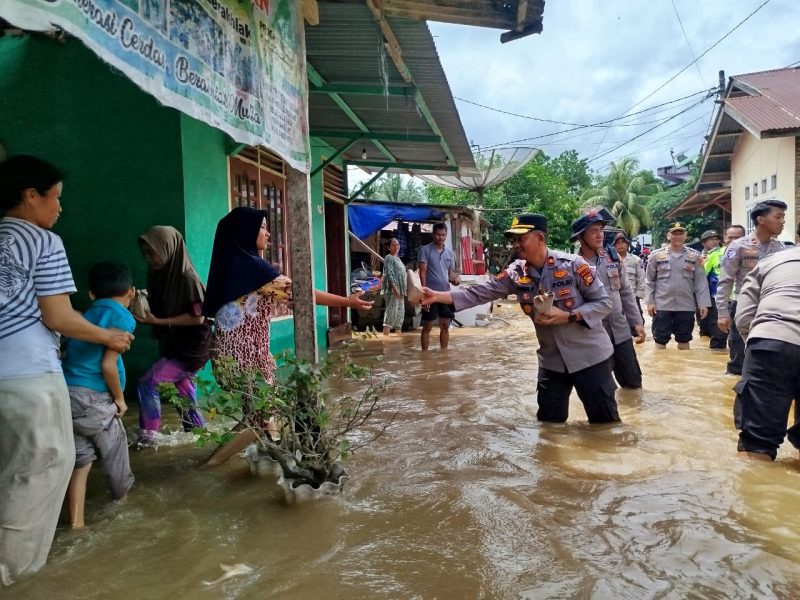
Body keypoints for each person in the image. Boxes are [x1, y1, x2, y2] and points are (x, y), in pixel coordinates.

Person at [0, 155, 132, 586]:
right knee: (38, 473)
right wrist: (108, 337)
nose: (59, 208)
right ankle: (15, 578)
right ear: (30, 196)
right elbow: (57, 315)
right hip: (27, 377)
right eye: (55, 197)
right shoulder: (42, 241)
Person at [202, 207, 373, 466]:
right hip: (246, 357)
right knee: (261, 417)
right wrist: (348, 302)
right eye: (262, 227)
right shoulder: (255, 269)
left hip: (227, 356)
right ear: (245, 232)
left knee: (261, 414)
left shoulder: (232, 265)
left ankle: (270, 461)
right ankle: (210, 466)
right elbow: (302, 292)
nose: (268, 233)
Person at [421, 213, 619, 424]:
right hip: (552, 362)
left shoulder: (573, 265)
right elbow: (478, 293)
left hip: (591, 358)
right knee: (549, 428)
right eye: (514, 239)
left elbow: (604, 303)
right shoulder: (516, 273)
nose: (515, 244)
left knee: (604, 426)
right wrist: (437, 296)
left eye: (521, 238)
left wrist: (568, 316)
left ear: (540, 238)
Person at [62, 260, 136, 529]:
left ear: (92, 294)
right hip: (93, 398)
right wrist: (120, 399)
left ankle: (76, 523)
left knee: (80, 461)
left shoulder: (82, 317)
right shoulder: (123, 318)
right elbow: (108, 366)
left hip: (65, 395)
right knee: (116, 453)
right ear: (131, 292)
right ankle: (125, 508)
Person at [135, 226, 212, 446]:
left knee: (148, 383)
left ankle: (148, 438)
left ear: (168, 248)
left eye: (152, 253)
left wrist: (157, 321)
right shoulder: (160, 274)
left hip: (192, 347)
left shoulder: (188, 278)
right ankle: (199, 434)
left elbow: (198, 317)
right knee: (182, 388)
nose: (149, 259)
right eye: (146, 254)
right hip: (174, 343)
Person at [732, 240, 800, 461]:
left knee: (756, 443)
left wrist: (757, 349)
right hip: (772, 339)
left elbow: (744, 316)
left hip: (771, 341)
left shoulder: (771, 261)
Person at [573, 213, 644, 389]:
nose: (600, 235)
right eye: (593, 231)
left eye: (601, 230)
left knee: (633, 385)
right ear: (580, 237)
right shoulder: (573, 265)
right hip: (594, 336)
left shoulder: (612, 258)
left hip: (620, 331)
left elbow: (626, 292)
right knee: (603, 388)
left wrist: (636, 322)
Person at [717, 201, 786, 375]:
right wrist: (723, 313)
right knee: (738, 360)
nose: (782, 221)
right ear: (761, 219)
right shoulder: (738, 247)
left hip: (773, 309)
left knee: (769, 356)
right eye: (778, 217)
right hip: (744, 308)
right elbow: (725, 281)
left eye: (783, 217)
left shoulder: (780, 248)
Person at [645, 222, 710, 349]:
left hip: (686, 305)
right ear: (668, 236)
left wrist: (703, 304)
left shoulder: (694, 256)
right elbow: (649, 281)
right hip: (662, 305)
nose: (678, 236)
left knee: (684, 339)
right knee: (660, 340)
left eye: (681, 233)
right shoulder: (656, 255)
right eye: (674, 233)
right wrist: (650, 302)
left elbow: (700, 282)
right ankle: (662, 362)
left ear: (685, 236)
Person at [418, 222, 460, 351]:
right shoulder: (425, 250)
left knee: (445, 326)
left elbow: (449, 274)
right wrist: (423, 294)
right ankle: (424, 355)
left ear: (446, 235)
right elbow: (422, 273)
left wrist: (455, 280)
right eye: (438, 234)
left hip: (445, 294)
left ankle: (444, 353)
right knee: (427, 326)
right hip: (429, 294)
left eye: (443, 235)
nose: (440, 237)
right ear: (433, 234)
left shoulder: (449, 253)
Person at [696, 230, 727, 350]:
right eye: (711, 239)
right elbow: (699, 277)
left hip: (721, 296)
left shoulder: (723, 254)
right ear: (704, 242)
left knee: (720, 328)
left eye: (716, 239)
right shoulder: (698, 256)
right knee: (706, 327)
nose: (715, 242)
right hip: (706, 296)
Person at [613, 232, 645, 321]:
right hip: (615, 299)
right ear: (614, 246)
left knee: (637, 322)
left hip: (633, 298)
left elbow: (641, 279)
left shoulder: (636, 260)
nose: (621, 245)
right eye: (618, 243)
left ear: (628, 244)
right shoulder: (610, 261)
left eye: (623, 242)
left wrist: (638, 296)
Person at [381, 238, 407, 336]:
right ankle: (385, 337)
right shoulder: (389, 258)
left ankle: (398, 338)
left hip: (400, 290)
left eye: (397, 244)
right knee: (391, 313)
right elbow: (389, 273)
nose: (396, 247)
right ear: (389, 247)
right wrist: (394, 287)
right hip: (392, 290)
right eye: (393, 245)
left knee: (400, 314)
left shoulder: (398, 259)